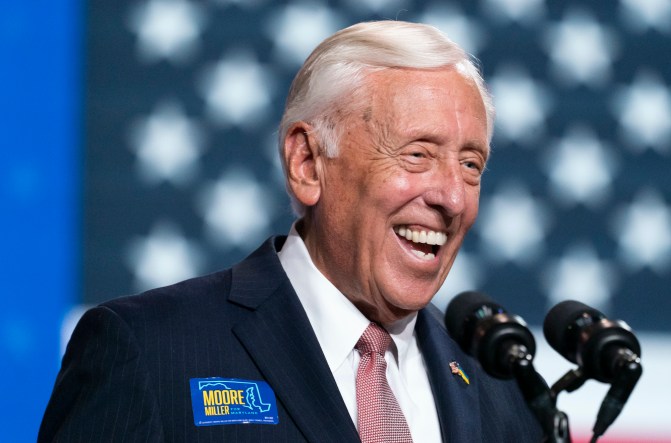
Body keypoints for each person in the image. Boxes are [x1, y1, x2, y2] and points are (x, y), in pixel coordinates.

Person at [39, 20, 543, 442]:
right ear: (307, 163)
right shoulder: (149, 350)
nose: (453, 198)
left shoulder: (500, 383)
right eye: (417, 154)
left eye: (471, 165)